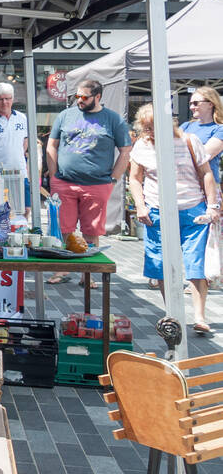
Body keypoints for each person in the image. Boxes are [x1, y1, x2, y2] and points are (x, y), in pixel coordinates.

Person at [127, 103, 220, 336]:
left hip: (191, 209)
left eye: (154, 127)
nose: (150, 132)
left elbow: (206, 173)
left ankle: (199, 316)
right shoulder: (142, 146)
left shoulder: (189, 141)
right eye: (146, 128)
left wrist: (213, 206)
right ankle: (173, 312)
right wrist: (140, 206)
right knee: (159, 264)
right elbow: (135, 179)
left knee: (195, 263)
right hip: (156, 210)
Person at [46, 78, 132, 285]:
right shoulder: (66, 115)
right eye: (77, 96)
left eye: (84, 97)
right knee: (63, 229)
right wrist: (53, 174)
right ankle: (63, 270)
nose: (80, 100)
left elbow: (125, 151)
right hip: (64, 182)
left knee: (91, 232)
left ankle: (88, 274)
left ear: (98, 97)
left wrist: (113, 179)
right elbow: (52, 145)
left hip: (97, 184)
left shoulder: (113, 119)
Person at [0, 82, 30, 215]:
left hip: (19, 171)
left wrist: (18, 155)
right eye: (1, 99)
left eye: (7, 98)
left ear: (13, 99)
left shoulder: (22, 118)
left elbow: (25, 140)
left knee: (25, 209)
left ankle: (21, 234)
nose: (4, 102)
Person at [183, 86, 223, 186]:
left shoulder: (219, 129)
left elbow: (203, 155)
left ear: (210, 104)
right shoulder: (186, 125)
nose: (191, 107)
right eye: (190, 103)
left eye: (196, 103)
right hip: (183, 184)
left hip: (206, 186)